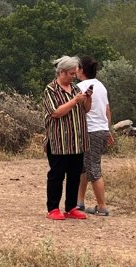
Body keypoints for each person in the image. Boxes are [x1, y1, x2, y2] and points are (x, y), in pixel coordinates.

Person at [42, 55, 92, 220]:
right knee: (56, 175)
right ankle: (53, 208)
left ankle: (71, 207)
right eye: (71, 73)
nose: (73, 76)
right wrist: (74, 101)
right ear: (62, 72)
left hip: (77, 141)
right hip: (58, 141)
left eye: (74, 73)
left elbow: (85, 110)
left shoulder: (76, 89)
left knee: (74, 175)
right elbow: (55, 112)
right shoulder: (50, 90)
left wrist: (86, 99)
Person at [76, 56, 113, 216]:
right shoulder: (101, 86)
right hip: (101, 130)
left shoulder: (79, 87)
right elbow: (107, 110)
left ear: (81, 70)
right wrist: (108, 130)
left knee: (93, 169)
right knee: (83, 167)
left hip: (90, 131)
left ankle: (102, 206)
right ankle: (79, 202)